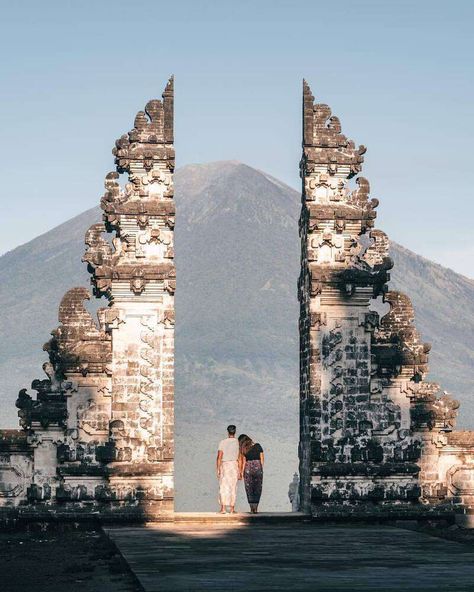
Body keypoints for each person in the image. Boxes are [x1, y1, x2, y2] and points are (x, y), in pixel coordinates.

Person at [216, 424, 240, 514]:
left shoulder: (222, 442)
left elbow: (219, 457)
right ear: (235, 432)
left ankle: (223, 508)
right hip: (234, 465)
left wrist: (218, 469)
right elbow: (240, 457)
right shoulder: (238, 443)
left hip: (225, 465)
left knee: (223, 486)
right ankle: (232, 508)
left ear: (227, 432)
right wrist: (240, 470)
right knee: (233, 487)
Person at [238, 434, 264, 513]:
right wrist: (260, 469)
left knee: (249, 488)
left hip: (248, 468)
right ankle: (256, 508)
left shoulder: (244, 449)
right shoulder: (258, 446)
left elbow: (242, 461)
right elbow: (262, 459)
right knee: (257, 488)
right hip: (258, 467)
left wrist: (240, 472)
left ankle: (251, 508)